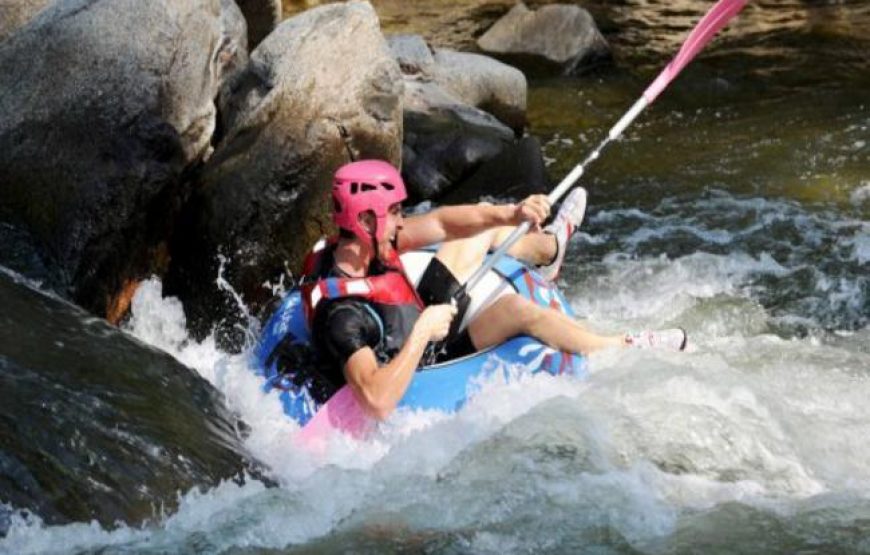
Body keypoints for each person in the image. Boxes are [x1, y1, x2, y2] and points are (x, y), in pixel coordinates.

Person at [301, 159, 686, 420]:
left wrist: (511, 214)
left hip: (414, 325)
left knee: (479, 230)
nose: (403, 220)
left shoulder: (365, 245)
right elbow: (376, 402)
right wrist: (423, 332)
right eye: (396, 212)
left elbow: (441, 224)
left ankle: (549, 248)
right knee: (516, 309)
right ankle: (622, 345)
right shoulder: (342, 316)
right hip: (423, 367)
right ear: (367, 218)